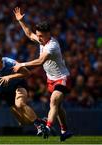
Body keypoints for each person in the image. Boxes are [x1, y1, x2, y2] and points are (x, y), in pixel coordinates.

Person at [13, 7, 73, 141]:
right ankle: (64, 131)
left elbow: (40, 61)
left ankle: (48, 126)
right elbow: (29, 34)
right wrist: (21, 21)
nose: (38, 38)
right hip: (50, 79)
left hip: (62, 78)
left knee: (53, 101)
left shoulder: (52, 45)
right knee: (58, 106)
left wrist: (22, 64)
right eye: (38, 35)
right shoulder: (42, 40)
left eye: (41, 36)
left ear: (48, 34)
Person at [0, 51, 45, 135]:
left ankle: (39, 125)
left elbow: (27, 73)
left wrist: (10, 77)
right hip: (6, 92)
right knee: (22, 121)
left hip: (18, 84)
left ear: (1, 62)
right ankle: (42, 121)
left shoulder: (10, 63)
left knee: (20, 104)